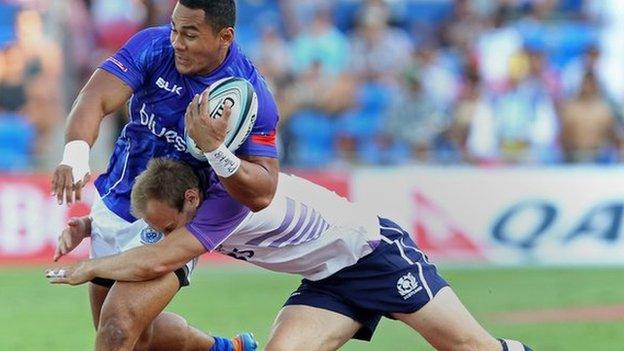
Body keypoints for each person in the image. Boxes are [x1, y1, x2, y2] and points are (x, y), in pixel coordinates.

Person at [48, 158, 533, 351]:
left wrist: (87, 268)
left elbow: (152, 261)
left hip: (376, 256)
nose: (159, 236)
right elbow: (151, 243)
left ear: (191, 202)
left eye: (164, 226)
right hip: (327, 284)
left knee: (472, 349)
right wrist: (90, 226)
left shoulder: (227, 207)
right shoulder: (188, 204)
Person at [49, 1, 280, 350]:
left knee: (117, 328)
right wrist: (76, 153)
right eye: (174, 29)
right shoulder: (153, 46)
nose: (176, 42)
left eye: (189, 34)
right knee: (141, 337)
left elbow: (263, 191)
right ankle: (225, 348)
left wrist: (216, 150)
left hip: (172, 225)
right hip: (115, 202)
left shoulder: (249, 95)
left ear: (225, 36)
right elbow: (94, 97)